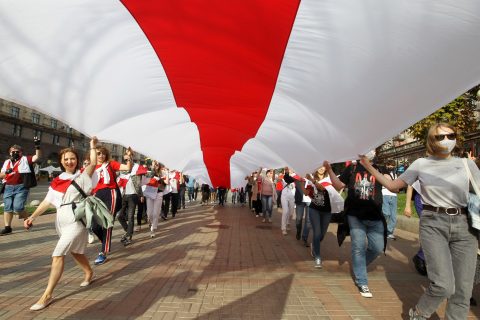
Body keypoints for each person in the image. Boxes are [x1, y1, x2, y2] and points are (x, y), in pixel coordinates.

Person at [359, 123, 479, 319]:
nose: (446, 140)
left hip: (465, 225)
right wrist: (368, 166)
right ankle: (419, 314)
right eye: (440, 137)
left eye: (450, 135)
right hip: (434, 223)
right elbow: (392, 185)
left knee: (463, 290)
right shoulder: (421, 164)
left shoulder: (467, 164)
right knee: (443, 285)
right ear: (432, 140)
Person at [23, 137, 98, 311]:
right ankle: (89, 272)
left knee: (58, 254)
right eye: (66, 159)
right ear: (62, 162)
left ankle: (47, 295)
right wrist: (32, 217)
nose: (70, 161)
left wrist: (92, 146)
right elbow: (47, 202)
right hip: (61, 220)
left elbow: (93, 162)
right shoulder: (57, 180)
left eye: (72, 158)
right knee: (75, 251)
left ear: (77, 160)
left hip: (76, 219)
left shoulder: (83, 175)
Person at [324, 149, 386, 298]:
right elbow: (339, 185)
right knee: (358, 247)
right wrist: (330, 170)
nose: (370, 150)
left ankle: (359, 265)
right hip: (355, 215)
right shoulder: (352, 168)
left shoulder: (379, 169)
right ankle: (362, 281)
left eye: (373, 147)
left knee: (377, 248)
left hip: (375, 216)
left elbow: (392, 185)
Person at [91, 145, 133, 265]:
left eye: (103, 153)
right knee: (94, 225)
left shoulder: (110, 164)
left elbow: (127, 167)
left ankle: (103, 252)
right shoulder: (92, 167)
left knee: (108, 222)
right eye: (98, 153)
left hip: (111, 193)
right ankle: (105, 241)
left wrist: (129, 157)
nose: (101, 156)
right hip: (97, 195)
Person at [0, 137, 41, 235]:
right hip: (8, 187)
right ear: (9, 153)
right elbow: (1, 175)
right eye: (12, 151)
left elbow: (37, 157)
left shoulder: (25, 159)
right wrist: (7, 172)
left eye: (17, 151)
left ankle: (27, 218)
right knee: (7, 208)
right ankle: (7, 227)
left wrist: (37, 146)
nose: (14, 153)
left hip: (21, 187)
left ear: (21, 152)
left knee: (18, 207)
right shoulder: (7, 162)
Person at [116, 157, 146, 246]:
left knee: (130, 217)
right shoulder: (122, 172)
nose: (128, 162)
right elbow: (114, 173)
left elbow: (140, 184)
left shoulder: (136, 172)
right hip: (124, 196)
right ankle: (128, 231)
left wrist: (141, 195)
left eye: (129, 160)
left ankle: (129, 236)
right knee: (119, 215)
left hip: (133, 196)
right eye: (126, 160)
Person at [404, 182, 427, 276]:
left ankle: (421, 256)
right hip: (421, 199)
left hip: (438, 201)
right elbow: (410, 185)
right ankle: (421, 257)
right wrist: (407, 205)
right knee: (428, 230)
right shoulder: (419, 166)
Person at [382, 160, 398, 240]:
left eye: (393, 165)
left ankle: (389, 232)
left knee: (393, 217)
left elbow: (396, 186)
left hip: (394, 196)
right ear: (386, 166)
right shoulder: (383, 174)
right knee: (386, 213)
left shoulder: (395, 175)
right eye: (389, 165)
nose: (391, 167)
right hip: (385, 195)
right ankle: (382, 230)